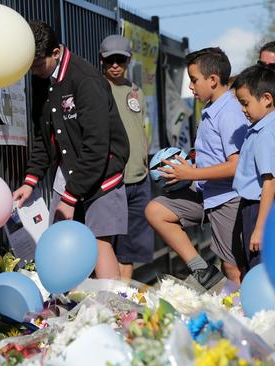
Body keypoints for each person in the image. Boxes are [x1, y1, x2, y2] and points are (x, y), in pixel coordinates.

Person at [13, 21, 130, 279]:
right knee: (63, 248)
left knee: (99, 244)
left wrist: (70, 197)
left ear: (56, 53)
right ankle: (75, 314)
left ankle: (116, 313)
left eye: (37, 65)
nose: (33, 72)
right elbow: (44, 136)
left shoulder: (85, 79)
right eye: (29, 67)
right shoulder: (42, 78)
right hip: (68, 177)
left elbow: (97, 146)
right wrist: (30, 181)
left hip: (102, 177)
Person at [145, 47, 247, 288]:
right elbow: (214, 153)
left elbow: (236, 165)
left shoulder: (230, 112)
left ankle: (247, 316)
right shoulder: (211, 110)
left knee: (232, 268)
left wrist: (191, 173)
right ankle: (202, 271)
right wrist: (184, 162)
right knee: (156, 211)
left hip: (228, 199)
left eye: (193, 80)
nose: (190, 87)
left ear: (213, 80)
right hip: (205, 194)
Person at [98, 35, 154, 280]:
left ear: (129, 60)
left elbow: (141, 128)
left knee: (129, 250)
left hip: (139, 180)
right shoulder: (97, 89)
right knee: (105, 244)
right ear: (101, 60)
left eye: (120, 59)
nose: (115, 65)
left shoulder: (136, 91)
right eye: (110, 60)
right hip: (111, 181)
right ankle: (109, 304)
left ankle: (125, 303)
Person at [231, 63, 275, 269]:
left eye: (245, 103)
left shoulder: (265, 134)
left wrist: (260, 227)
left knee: (260, 266)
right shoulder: (263, 129)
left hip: (261, 208)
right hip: (257, 205)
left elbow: (269, 181)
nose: (243, 109)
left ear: (266, 99)